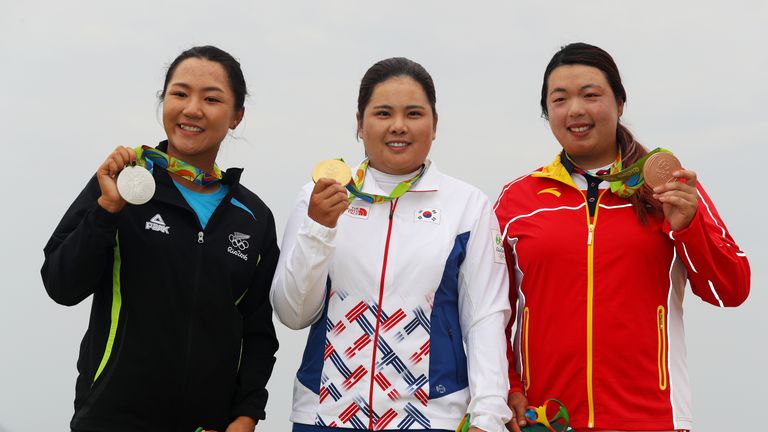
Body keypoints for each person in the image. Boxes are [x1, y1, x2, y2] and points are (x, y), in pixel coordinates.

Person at [494, 42, 751, 432]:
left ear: (620, 103)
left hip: (652, 418)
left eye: (591, 95)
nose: (575, 110)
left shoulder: (668, 187)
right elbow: (491, 314)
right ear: (547, 113)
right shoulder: (517, 201)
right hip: (547, 421)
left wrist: (688, 227)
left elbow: (730, 290)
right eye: (559, 99)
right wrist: (509, 388)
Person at [41, 45, 279, 432]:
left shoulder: (253, 217)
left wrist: (247, 415)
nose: (192, 109)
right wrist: (106, 210)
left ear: (237, 116)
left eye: (212, 98)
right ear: (163, 101)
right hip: (112, 420)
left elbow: (257, 331)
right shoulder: (121, 183)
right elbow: (60, 284)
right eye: (180, 94)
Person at [270, 57, 512, 432]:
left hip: (432, 418)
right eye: (383, 113)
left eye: (413, 113)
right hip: (326, 414)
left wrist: (489, 415)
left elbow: (485, 317)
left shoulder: (467, 205)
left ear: (434, 125)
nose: (398, 126)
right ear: (359, 124)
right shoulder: (320, 196)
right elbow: (293, 314)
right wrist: (319, 229)